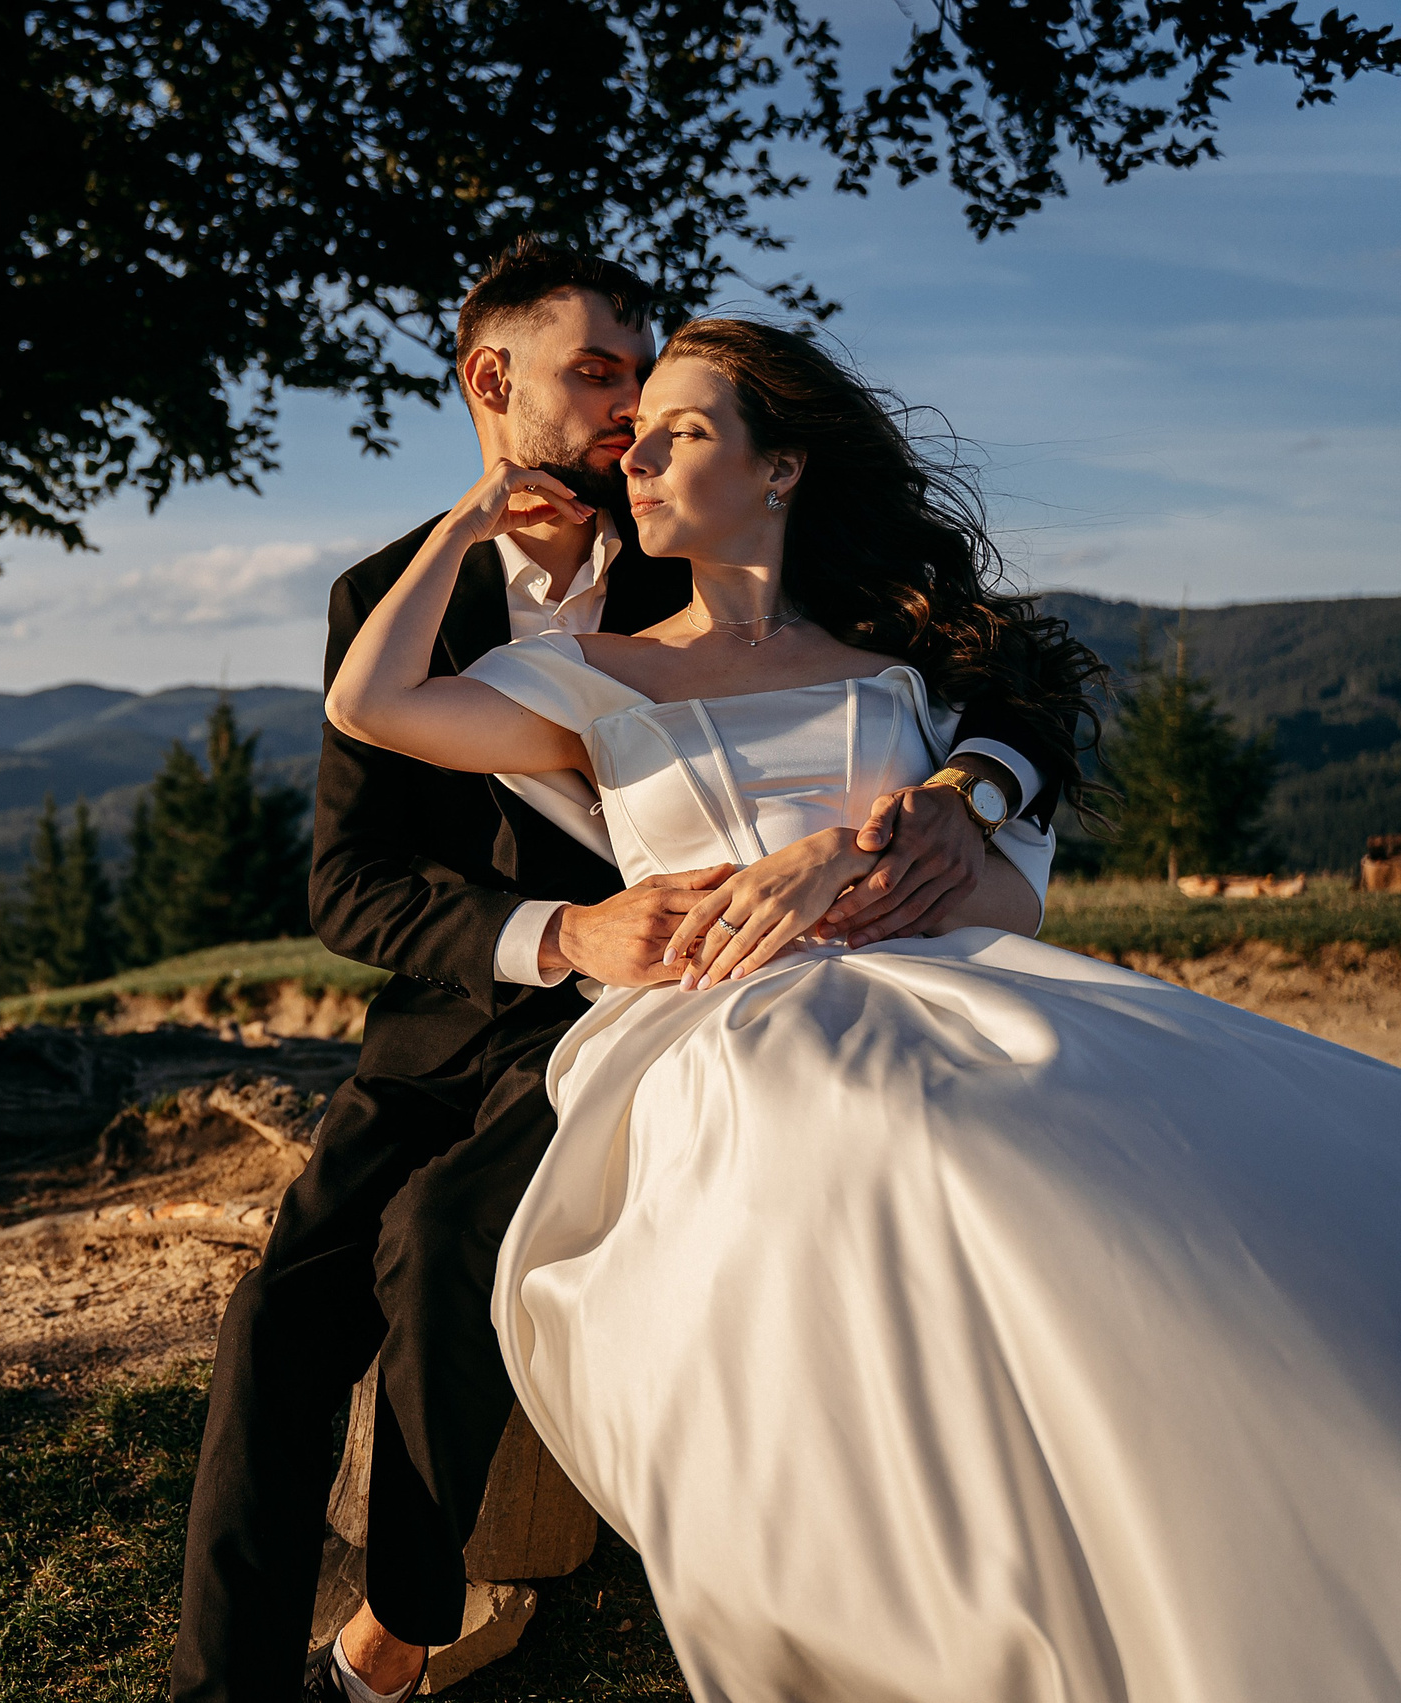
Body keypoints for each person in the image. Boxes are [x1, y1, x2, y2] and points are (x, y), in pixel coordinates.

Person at [326, 316, 1401, 1699]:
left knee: (1141, 1165)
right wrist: (477, 516)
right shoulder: (600, 676)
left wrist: (885, 842)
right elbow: (374, 703)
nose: (635, 453)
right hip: (717, 1027)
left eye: (683, 430)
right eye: (633, 429)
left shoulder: (901, 679)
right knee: (872, 1130)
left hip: (946, 999)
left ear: (781, 472)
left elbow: (1006, 900)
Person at [167, 243, 1072, 1703]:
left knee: (443, 1243)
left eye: (647, 390)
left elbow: (989, 676)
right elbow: (350, 884)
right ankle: (226, 1690)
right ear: (490, 380)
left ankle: (406, 1622)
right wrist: (562, 934)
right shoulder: (396, 590)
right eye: (597, 376)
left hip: (664, 1022)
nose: (625, 418)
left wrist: (963, 790)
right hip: (470, 1015)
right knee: (282, 1309)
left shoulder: (687, 541)